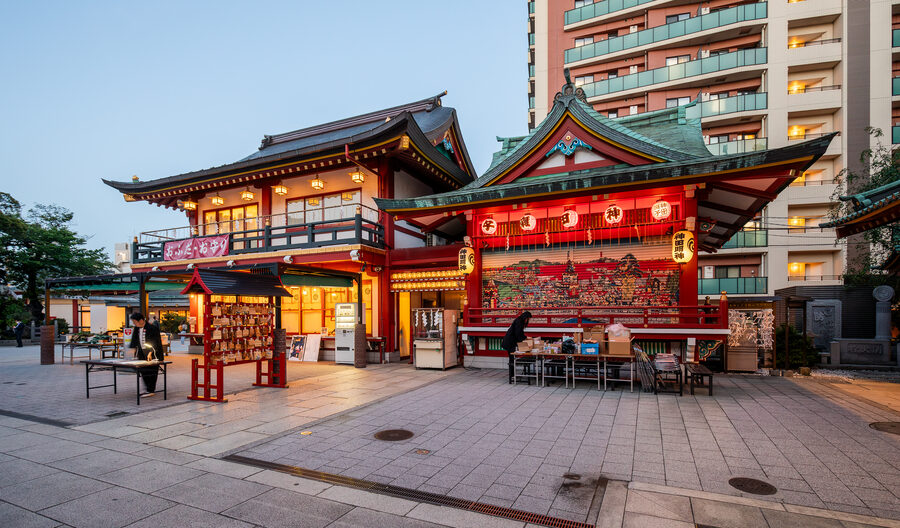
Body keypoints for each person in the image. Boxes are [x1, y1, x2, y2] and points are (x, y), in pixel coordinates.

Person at [128, 312, 162, 397]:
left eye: (135, 322)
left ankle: (151, 390)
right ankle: (148, 389)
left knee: (152, 371)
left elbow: (155, 342)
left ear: (141, 320)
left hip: (153, 354)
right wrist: (133, 352)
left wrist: (150, 353)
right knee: (143, 371)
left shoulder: (152, 328)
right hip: (142, 353)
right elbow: (134, 341)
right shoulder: (136, 329)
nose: (134, 323)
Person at [501, 311, 532, 384]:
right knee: (512, 359)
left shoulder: (519, 320)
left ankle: (513, 375)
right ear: (526, 318)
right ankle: (512, 375)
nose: (528, 321)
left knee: (512, 358)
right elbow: (518, 333)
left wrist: (524, 337)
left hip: (511, 341)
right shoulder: (519, 321)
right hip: (509, 342)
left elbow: (519, 333)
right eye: (528, 319)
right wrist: (526, 338)